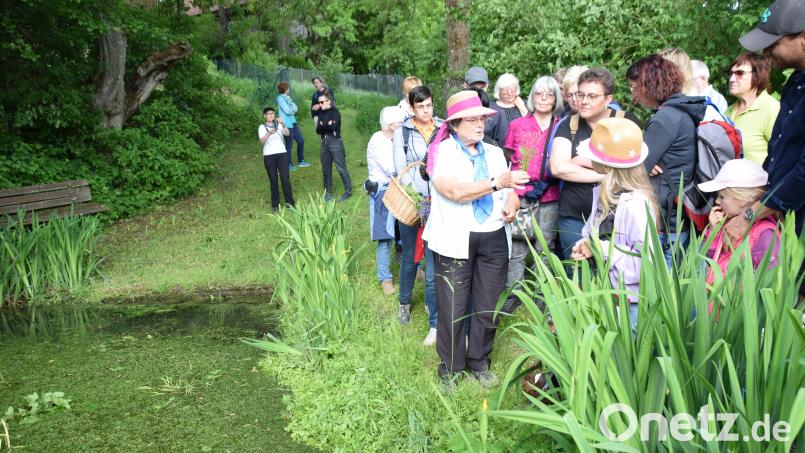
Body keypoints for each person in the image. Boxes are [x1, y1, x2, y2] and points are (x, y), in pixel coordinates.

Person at [422, 90, 529, 390]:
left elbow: (510, 193)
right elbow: (454, 191)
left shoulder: (495, 153)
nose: (480, 125)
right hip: (456, 238)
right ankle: (451, 368)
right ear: (455, 124)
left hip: (494, 237)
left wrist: (512, 204)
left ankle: (479, 362)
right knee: (454, 304)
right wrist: (498, 183)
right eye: (472, 120)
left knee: (487, 305)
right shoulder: (442, 153)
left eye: (482, 119)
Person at [571, 117, 658, 332]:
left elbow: (645, 264)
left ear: (609, 165)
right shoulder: (604, 193)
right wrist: (585, 244)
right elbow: (596, 233)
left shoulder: (636, 204)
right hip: (607, 295)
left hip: (629, 306)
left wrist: (598, 248)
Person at [550, 68, 641, 259]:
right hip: (574, 216)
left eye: (592, 96)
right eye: (580, 94)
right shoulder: (570, 125)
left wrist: (581, 162)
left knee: (614, 277)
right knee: (577, 278)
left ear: (608, 99)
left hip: (617, 218)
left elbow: (636, 168)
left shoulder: (626, 123)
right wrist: (609, 173)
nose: (583, 101)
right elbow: (558, 167)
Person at [626, 54, 707, 268]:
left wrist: (639, 163)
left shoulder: (665, 118)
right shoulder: (682, 111)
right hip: (677, 213)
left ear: (649, 84)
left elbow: (636, 168)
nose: (632, 92)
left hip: (666, 220)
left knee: (662, 289)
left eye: (634, 85)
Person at [500, 76, 565, 313]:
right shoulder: (517, 125)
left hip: (550, 195)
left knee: (545, 246)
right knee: (517, 248)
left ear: (556, 98)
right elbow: (509, 156)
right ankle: (513, 293)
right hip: (522, 195)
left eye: (549, 94)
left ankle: (542, 294)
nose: (544, 98)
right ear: (532, 97)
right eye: (539, 93)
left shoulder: (562, 126)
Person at [391, 85, 442, 344]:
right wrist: (417, 197)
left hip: (440, 201)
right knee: (412, 255)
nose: (426, 110)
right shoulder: (403, 132)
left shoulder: (443, 128)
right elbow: (401, 169)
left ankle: (434, 316)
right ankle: (404, 301)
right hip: (413, 201)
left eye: (429, 105)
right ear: (412, 107)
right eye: (420, 106)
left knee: (433, 260)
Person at [697, 159, 780, 288]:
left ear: (742, 199)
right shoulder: (729, 222)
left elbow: (767, 284)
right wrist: (713, 232)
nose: (717, 201)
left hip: (736, 307)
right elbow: (714, 262)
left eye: (722, 196)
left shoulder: (766, 235)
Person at [367, 106, 407, 296]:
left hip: (400, 189)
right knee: (385, 237)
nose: (404, 124)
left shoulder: (396, 139)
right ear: (392, 125)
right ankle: (385, 278)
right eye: (401, 122)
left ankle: (412, 269)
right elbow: (393, 168)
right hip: (383, 191)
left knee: (407, 233)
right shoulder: (378, 141)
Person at [725, 52, 780, 164]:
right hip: (727, 180)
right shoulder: (728, 111)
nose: (731, 79)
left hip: (762, 181)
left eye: (739, 73)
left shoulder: (771, 109)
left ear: (758, 76)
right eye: (730, 74)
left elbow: (782, 156)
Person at [315, 92, 353, 202]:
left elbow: (333, 127)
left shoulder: (335, 112)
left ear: (329, 101)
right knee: (326, 169)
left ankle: (348, 191)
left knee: (341, 168)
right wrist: (326, 126)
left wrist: (324, 126)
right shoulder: (320, 113)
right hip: (324, 143)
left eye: (322, 102)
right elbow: (318, 130)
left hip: (335, 142)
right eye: (319, 102)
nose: (320, 104)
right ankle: (328, 193)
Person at [258, 107, 295, 211]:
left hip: (282, 153)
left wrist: (283, 124)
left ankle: (290, 203)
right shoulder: (262, 127)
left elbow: (287, 134)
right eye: (268, 114)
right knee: (273, 180)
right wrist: (269, 133)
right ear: (265, 116)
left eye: (272, 114)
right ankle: (275, 205)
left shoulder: (279, 124)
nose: (271, 115)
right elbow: (262, 140)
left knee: (285, 178)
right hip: (269, 155)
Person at [491, 73, 529, 154]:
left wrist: (522, 107)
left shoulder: (524, 104)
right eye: (506, 89)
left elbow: (533, 126)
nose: (510, 93)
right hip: (499, 153)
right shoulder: (491, 108)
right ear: (499, 91)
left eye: (512, 89)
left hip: (523, 152)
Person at [276, 81, 309, 170]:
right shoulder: (280, 98)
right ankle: (288, 164)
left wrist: (292, 110)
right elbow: (287, 111)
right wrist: (292, 110)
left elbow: (296, 108)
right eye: (288, 88)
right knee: (289, 144)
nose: (289, 89)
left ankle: (301, 160)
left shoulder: (288, 97)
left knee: (301, 140)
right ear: (285, 89)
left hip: (293, 122)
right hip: (286, 124)